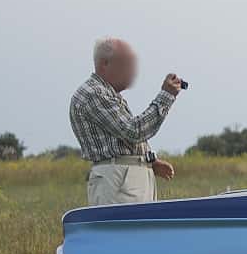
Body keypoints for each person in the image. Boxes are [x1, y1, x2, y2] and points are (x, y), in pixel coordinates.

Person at [69, 37, 183, 205]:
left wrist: (149, 161)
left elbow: (120, 138)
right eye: (126, 64)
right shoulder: (94, 93)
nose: (133, 71)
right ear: (105, 64)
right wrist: (166, 96)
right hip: (118, 178)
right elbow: (132, 131)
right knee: (125, 230)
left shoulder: (108, 94)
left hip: (124, 176)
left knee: (142, 231)